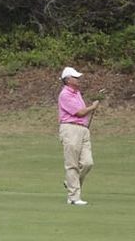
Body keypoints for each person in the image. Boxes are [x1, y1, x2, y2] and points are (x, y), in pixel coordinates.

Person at [58, 67, 99, 205]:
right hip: (70, 129)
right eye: (75, 77)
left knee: (88, 163)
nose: (78, 79)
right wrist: (93, 107)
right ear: (68, 80)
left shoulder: (77, 93)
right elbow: (80, 112)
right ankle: (73, 198)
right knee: (72, 165)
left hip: (83, 130)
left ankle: (70, 182)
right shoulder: (65, 94)